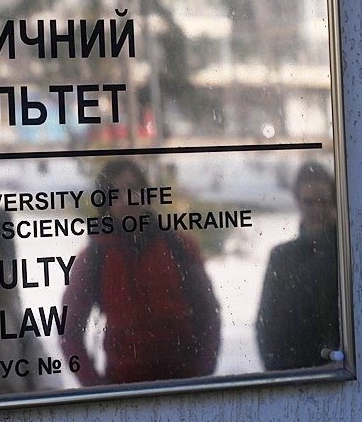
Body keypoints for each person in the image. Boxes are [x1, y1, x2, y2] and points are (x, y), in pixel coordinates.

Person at [62, 159, 221, 385]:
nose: (128, 199)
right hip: (124, 390)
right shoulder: (93, 259)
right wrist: (98, 389)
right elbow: (69, 333)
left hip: (185, 387)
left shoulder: (179, 247)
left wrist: (201, 376)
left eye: (133, 189)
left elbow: (208, 313)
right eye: (115, 193)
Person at [256, 162, 341, 370]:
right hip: (293, 371)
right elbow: (267, 323)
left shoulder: (346, 252)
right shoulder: (282, 257)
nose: (318, 210)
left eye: (324, 201)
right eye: (310, 202)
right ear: (297, 200)